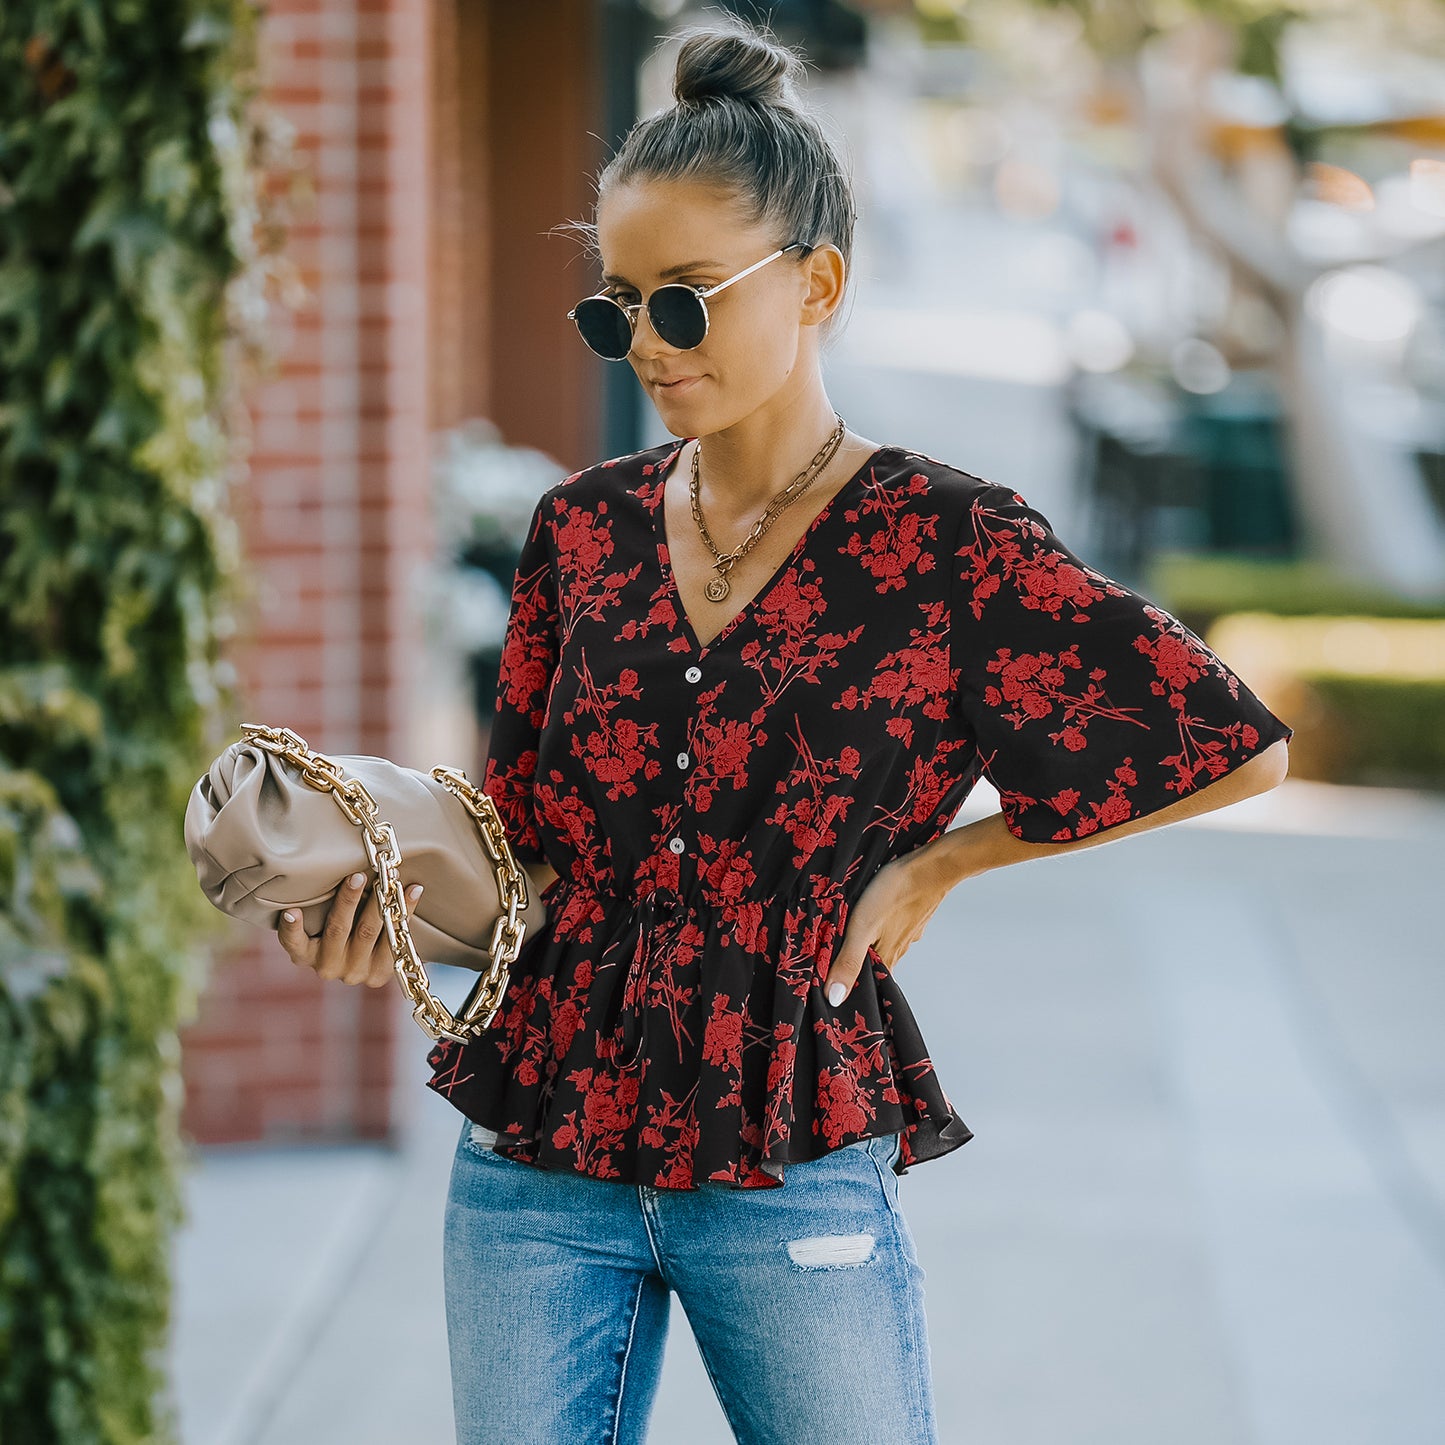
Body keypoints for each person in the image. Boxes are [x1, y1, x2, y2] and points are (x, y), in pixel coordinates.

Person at [276, 14, 1294, 1445]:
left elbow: (1229, 741)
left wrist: (943, 863)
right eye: (614, 305)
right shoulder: (579, 531)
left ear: (815, 282)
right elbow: (526, 849)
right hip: (533, 1166)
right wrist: (395, 909)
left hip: (788, 1148)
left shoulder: (950, 543)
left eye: (683, 299)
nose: (646, 341)